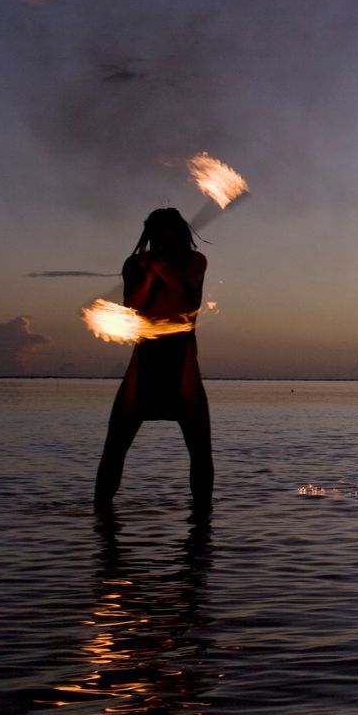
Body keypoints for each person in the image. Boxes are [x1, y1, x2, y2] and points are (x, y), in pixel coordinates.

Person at [94, 208, 213, 511]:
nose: (161, 240)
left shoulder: (195, 262)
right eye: (156, 234)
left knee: (200, 450)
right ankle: (101, 516)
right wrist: (147, 277)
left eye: (167, 233)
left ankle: (202, 522)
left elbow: (187, 298)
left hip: (182, 357)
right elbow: (132, 307)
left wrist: (162, 271)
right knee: (115, 447)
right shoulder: (135, 264)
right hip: (145, 357)